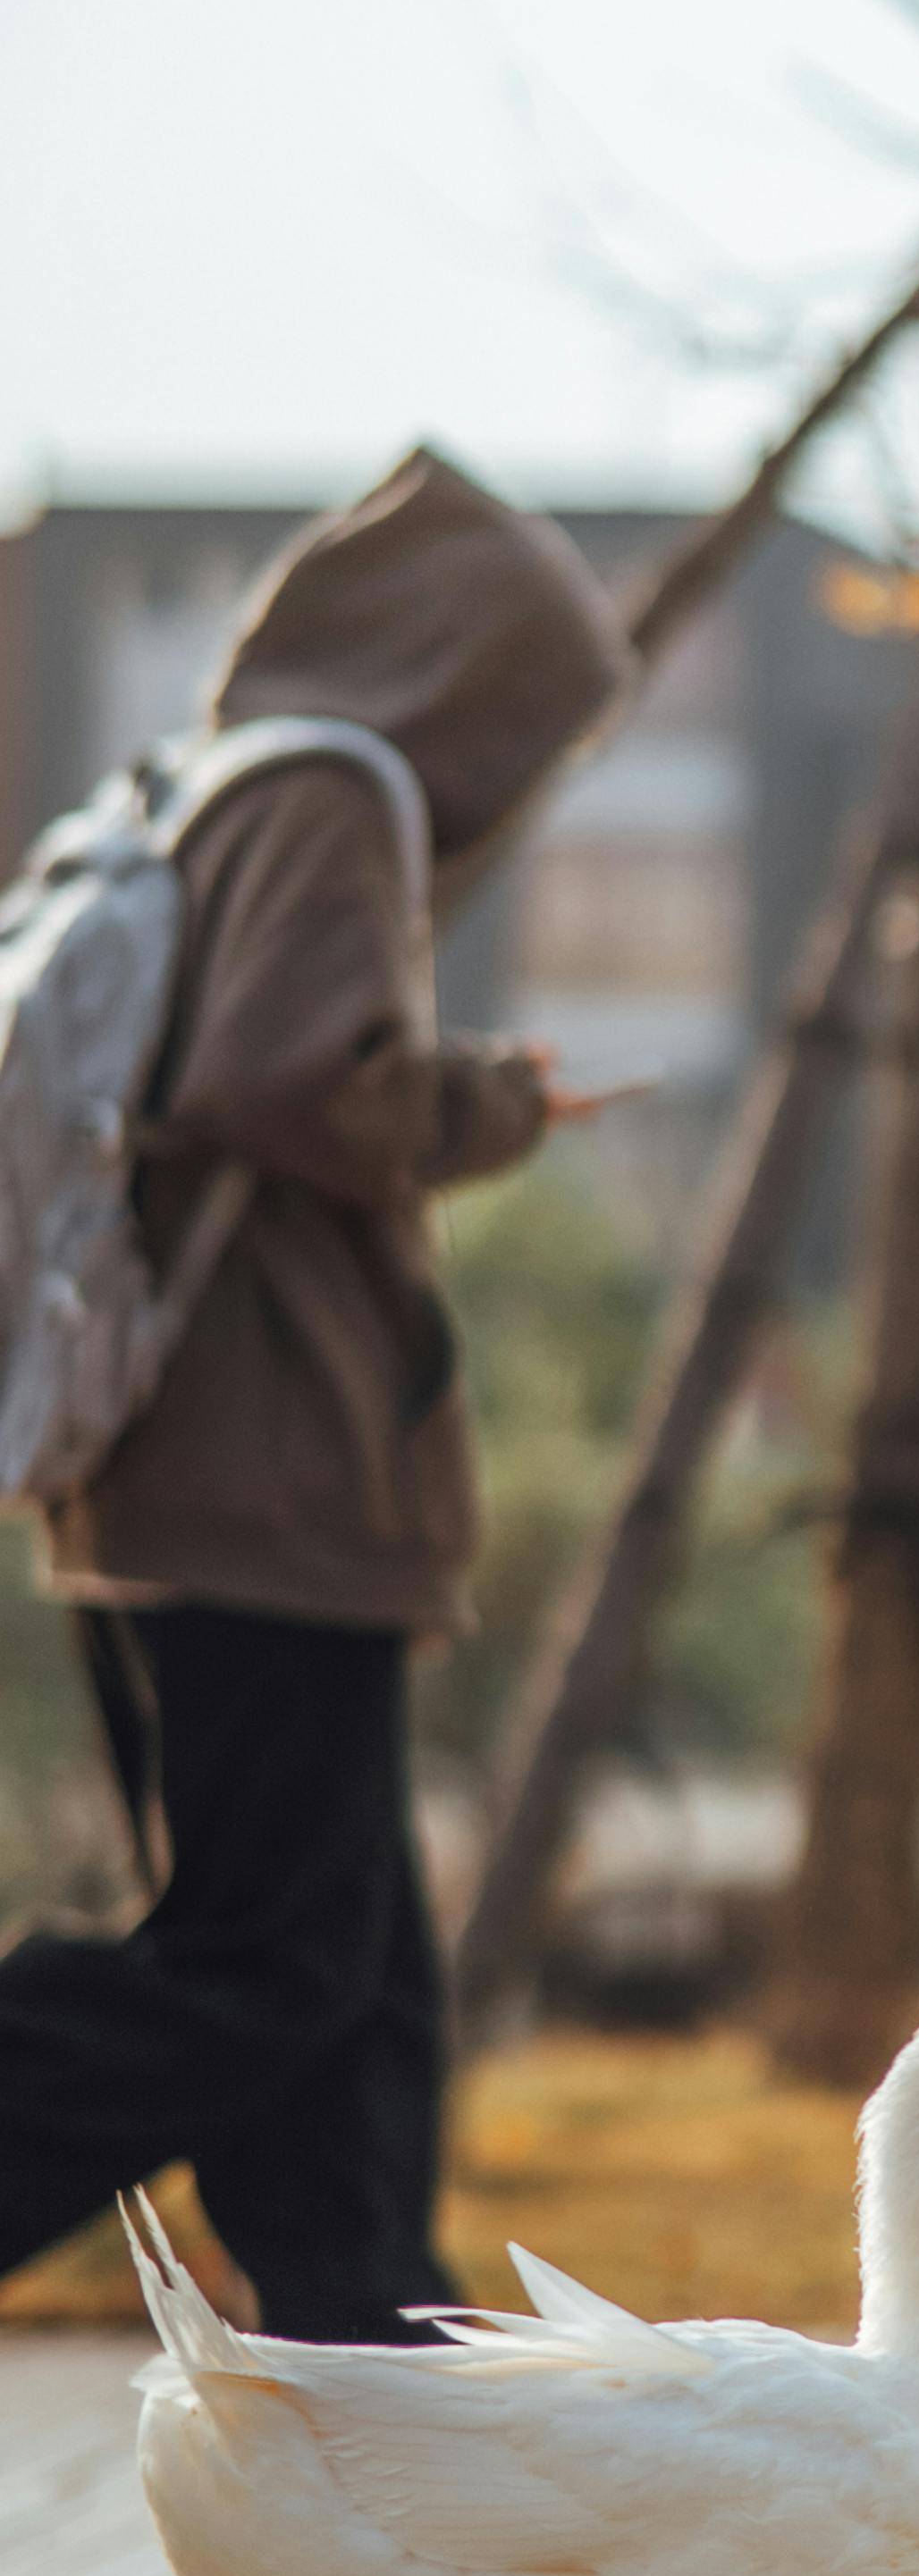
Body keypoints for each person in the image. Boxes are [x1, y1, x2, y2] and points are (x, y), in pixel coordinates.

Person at [0, 450, 632, 2337]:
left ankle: (381, 2373)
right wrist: (493, 1100)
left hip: (178, 1472)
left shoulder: (202, 792)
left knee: (348, 1989)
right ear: (476, 692)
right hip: (267, 1484)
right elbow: (299, 1079)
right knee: (277, 1960)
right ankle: (378, 2360)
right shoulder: (335, 796)